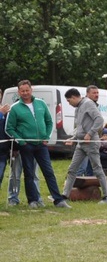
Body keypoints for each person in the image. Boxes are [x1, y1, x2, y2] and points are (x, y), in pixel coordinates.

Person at [4, 80, 71, 209]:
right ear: (19, 92)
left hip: (41, 145)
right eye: (22, 91)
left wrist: (47, 136)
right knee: (29, 173)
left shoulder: (41, 104)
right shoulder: (15, 108)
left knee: (49, 172)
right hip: (26, 145)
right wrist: (21, 140)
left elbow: (49, 121)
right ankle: (32, 201)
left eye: (27, 90)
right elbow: (9, 128)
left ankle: (58, 200)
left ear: (31, 89)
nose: (25, 93)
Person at [60, 88, 107, 204]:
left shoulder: (88, 103)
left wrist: (90, 134)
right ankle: (64, 196)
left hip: (91, 143)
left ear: (74, 97)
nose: (69, 103)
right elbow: (80, 128)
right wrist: (73, 139)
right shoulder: (78, 107)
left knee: (97, 169)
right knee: (72, 169)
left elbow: (99, 120)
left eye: (69, 101)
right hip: (80, 144)